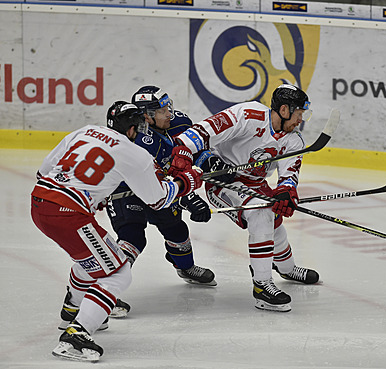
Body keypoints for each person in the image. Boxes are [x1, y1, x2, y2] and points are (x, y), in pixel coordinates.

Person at [31, 101, 203, 362]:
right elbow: (157, 200)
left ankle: (74, 309)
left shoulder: (85, 131)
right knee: (118, 273)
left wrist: (92, 192)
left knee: (88, 258)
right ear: (134, 128)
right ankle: (77, 335)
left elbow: (43, 171)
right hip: (69, 214)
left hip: (40, 203)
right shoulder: (135, 154)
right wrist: (184, 182)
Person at [170, 84, 320, 312]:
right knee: (261, 213)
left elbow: (289, 176)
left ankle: (286, 268)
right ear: (284, 109)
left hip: (256, 184)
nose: (301, 120)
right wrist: (183, 150)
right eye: (299, 114)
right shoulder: (248, 115)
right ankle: (261, 285)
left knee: (274, 218)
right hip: (223, 181)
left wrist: (286, 192)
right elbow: (205, 129)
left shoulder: (293, 140)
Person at [104, 86, 234, 318]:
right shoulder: (137, 140)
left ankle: (184, 267)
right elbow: (157, 179)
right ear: (145, 116)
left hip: (161, 188)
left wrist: (212, 164)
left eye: (168, 107)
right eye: (163, 110)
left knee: (177, 230)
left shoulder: (180, 122)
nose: (169, 114)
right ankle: (105, 292)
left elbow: (196, 151)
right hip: (126, 193)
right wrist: (189, 199)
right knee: (132, 238)